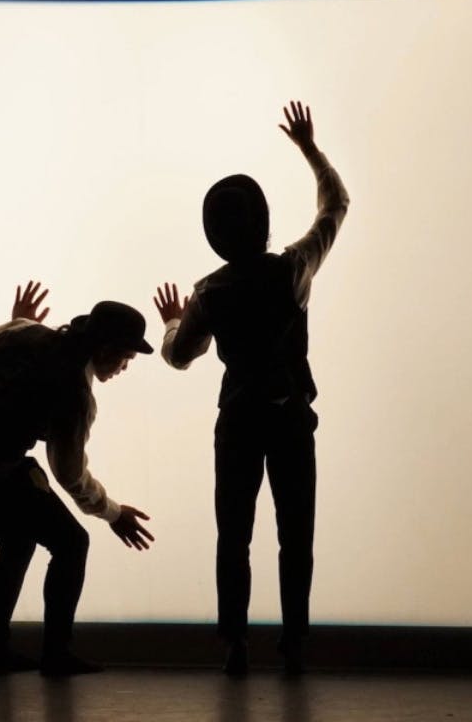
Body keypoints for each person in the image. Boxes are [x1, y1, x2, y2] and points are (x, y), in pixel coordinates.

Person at [153, 100, 350, 676]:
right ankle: (294, 643)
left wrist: (170, 319)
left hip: (237, 423)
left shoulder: (209, 292)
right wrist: (311, 149)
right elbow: (335, 206)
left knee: (232, 536)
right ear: (262, 221)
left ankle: (235, 643)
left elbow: (179, 356)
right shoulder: (292, 269)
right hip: (291, 419)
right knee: (297, 536)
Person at [0, 281, 156, 677]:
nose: (125, 367)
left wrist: (14, 325)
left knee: (18, 540)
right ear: (104, 350)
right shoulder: (75, 393)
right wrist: (114, 513)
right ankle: (55, 654)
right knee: (71, 542)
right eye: (126, 357)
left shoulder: (25, 333)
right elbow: (69, 474)